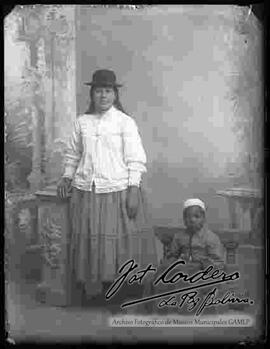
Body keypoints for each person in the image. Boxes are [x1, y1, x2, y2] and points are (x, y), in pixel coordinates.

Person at [57, 69, 157, 309]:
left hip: (119, 189)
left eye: (108, 91)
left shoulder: (124, 122)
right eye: (99, 91)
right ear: (92, 94)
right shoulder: (82, 122)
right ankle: (101, 290)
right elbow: (73, 154)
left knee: (121, 244)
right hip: (88, 191)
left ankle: (123, 291)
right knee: (94, 243)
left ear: (115, 94)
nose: (103, 96)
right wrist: (66, 177)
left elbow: (135, 159)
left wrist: (133, 190)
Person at [142, 198, 225, 315]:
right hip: (183, 267)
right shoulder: (179, 236)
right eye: (187, 217)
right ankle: (159, 310)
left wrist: (200, 264)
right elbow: (172, 254)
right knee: (157, 276)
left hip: (204, 270)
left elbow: (218, 262)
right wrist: (171, 263)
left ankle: (185, 312)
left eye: (196, 216)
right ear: (184, 219)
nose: (192, 220)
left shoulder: (211, 238)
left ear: (203, 218)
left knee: (186, 281)